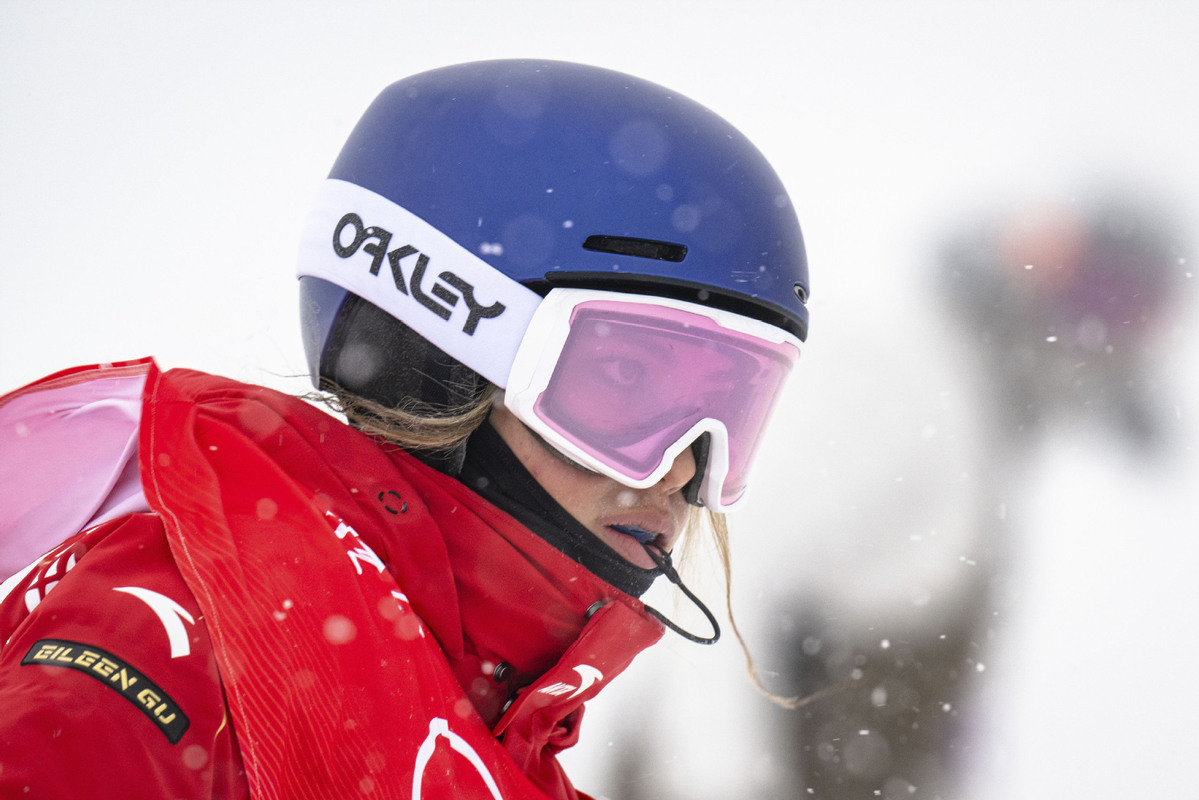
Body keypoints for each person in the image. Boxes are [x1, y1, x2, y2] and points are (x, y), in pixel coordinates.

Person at [0, 59, 809, 799]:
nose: (679, 467)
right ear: (435, 360)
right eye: (626, 377)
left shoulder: (501, 756)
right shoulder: (177, 641)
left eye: (727, 410)